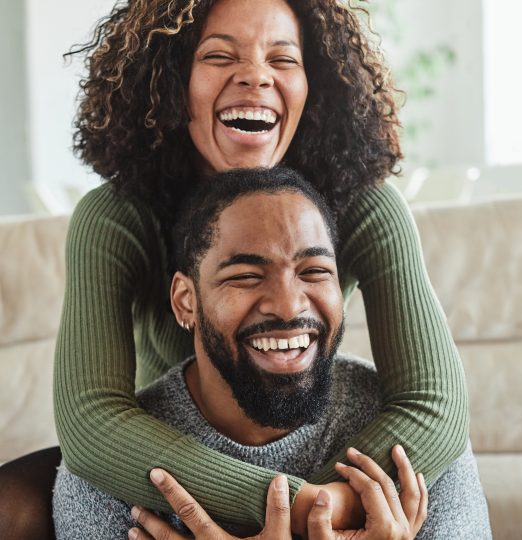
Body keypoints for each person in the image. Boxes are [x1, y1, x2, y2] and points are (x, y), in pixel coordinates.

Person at [0, 0, 470, 538]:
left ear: (313, 85)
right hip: (171, 447)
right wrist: (302, 511)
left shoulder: (364, 206)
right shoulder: (117, 217)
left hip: (310, 435)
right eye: (220, 55)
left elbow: (434, 406)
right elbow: (92, 422)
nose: (255, 75)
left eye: (283, 59)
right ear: (172, 80)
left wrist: (324, 504)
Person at [52, 167, 491, 540]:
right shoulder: (112, 477)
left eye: (315, 271)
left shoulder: (409, 453)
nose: (288, 305)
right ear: (186, 300)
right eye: (245, 276)